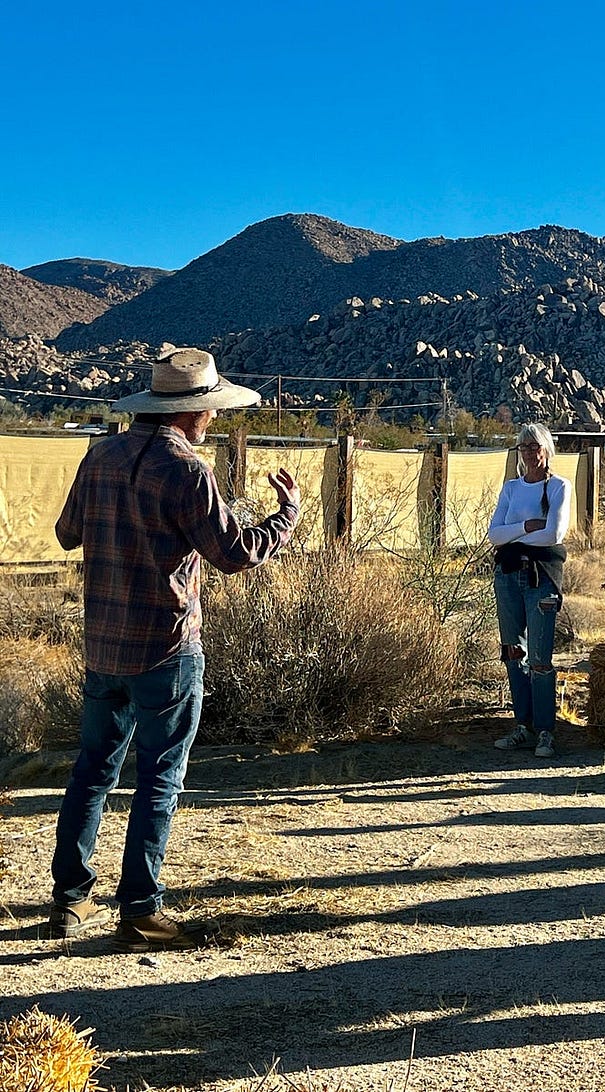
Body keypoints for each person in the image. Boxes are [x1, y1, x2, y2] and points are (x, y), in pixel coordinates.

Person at [46, 347, 300, 950]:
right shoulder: (187, 471)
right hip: (165, 646)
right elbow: (235, 553)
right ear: (197, 410)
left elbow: (65, 534)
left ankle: (68, 900)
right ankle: (138, 909)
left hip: (103, 644)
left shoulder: (100, 456)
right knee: (159, 776)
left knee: (93, 770)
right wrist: (284, 514)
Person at [489, 423, 571, 760]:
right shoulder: (511, 488)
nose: (528, 452)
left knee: (540, 657)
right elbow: (494, 534)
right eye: (523, 447)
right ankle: (522, 724)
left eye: (534, 446)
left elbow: (554, 534)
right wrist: (527, 526)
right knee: (513, 652)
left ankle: (545, 730)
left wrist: (514, 534)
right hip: (507, 575)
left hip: (542, 577)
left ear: (547, 449)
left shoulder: (558, 487)